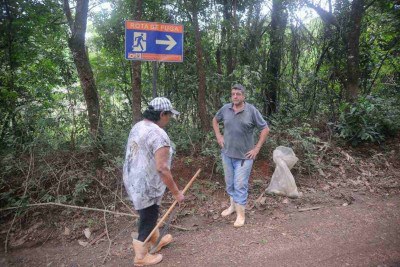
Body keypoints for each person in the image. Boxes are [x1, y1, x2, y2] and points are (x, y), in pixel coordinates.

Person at [123, 97, 184, 266]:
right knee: (148, 216)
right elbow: (162, 168)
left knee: (147, 213)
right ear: (162, 114)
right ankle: (141, 256)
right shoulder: (158, 135)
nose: (169, 119)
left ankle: (154, 240)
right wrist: (177, 193)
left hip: (132, 179)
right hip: (145, 183)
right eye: (169, 115)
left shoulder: (139, 126)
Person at [212, 84, 270, 227]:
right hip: (227, 154)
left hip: (245, 158)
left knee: (240, 185)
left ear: (244, 96)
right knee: (230, 184)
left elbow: (265, 128)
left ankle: (240, 214)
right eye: (233, 94)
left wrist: (257, 148)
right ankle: (233, 207)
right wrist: (219, 136)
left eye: (238, 94)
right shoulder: (225, 109)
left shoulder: (251, 111)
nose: (235, 96)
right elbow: (215, 120)